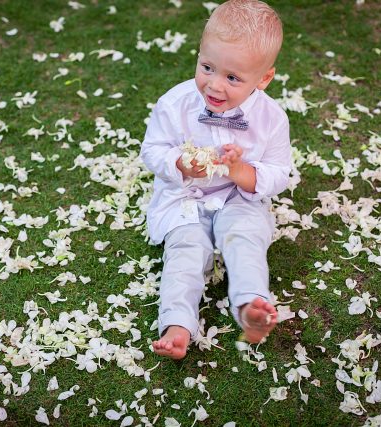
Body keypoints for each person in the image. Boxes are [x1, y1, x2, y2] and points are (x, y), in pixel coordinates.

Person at [140, 0, 291, 359]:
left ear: (264, 78)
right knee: (186, 249)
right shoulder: (175, 103)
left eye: (233, 78)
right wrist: (179, 162)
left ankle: (249, 306)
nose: (215, 85)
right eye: (207, 67)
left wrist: (240, 172)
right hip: (186, 196)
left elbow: (278, 173)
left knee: (245, 239)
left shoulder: (272, 119)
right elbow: (152, 148)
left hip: (239, 197)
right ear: (199, 54)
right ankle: (177, 323)